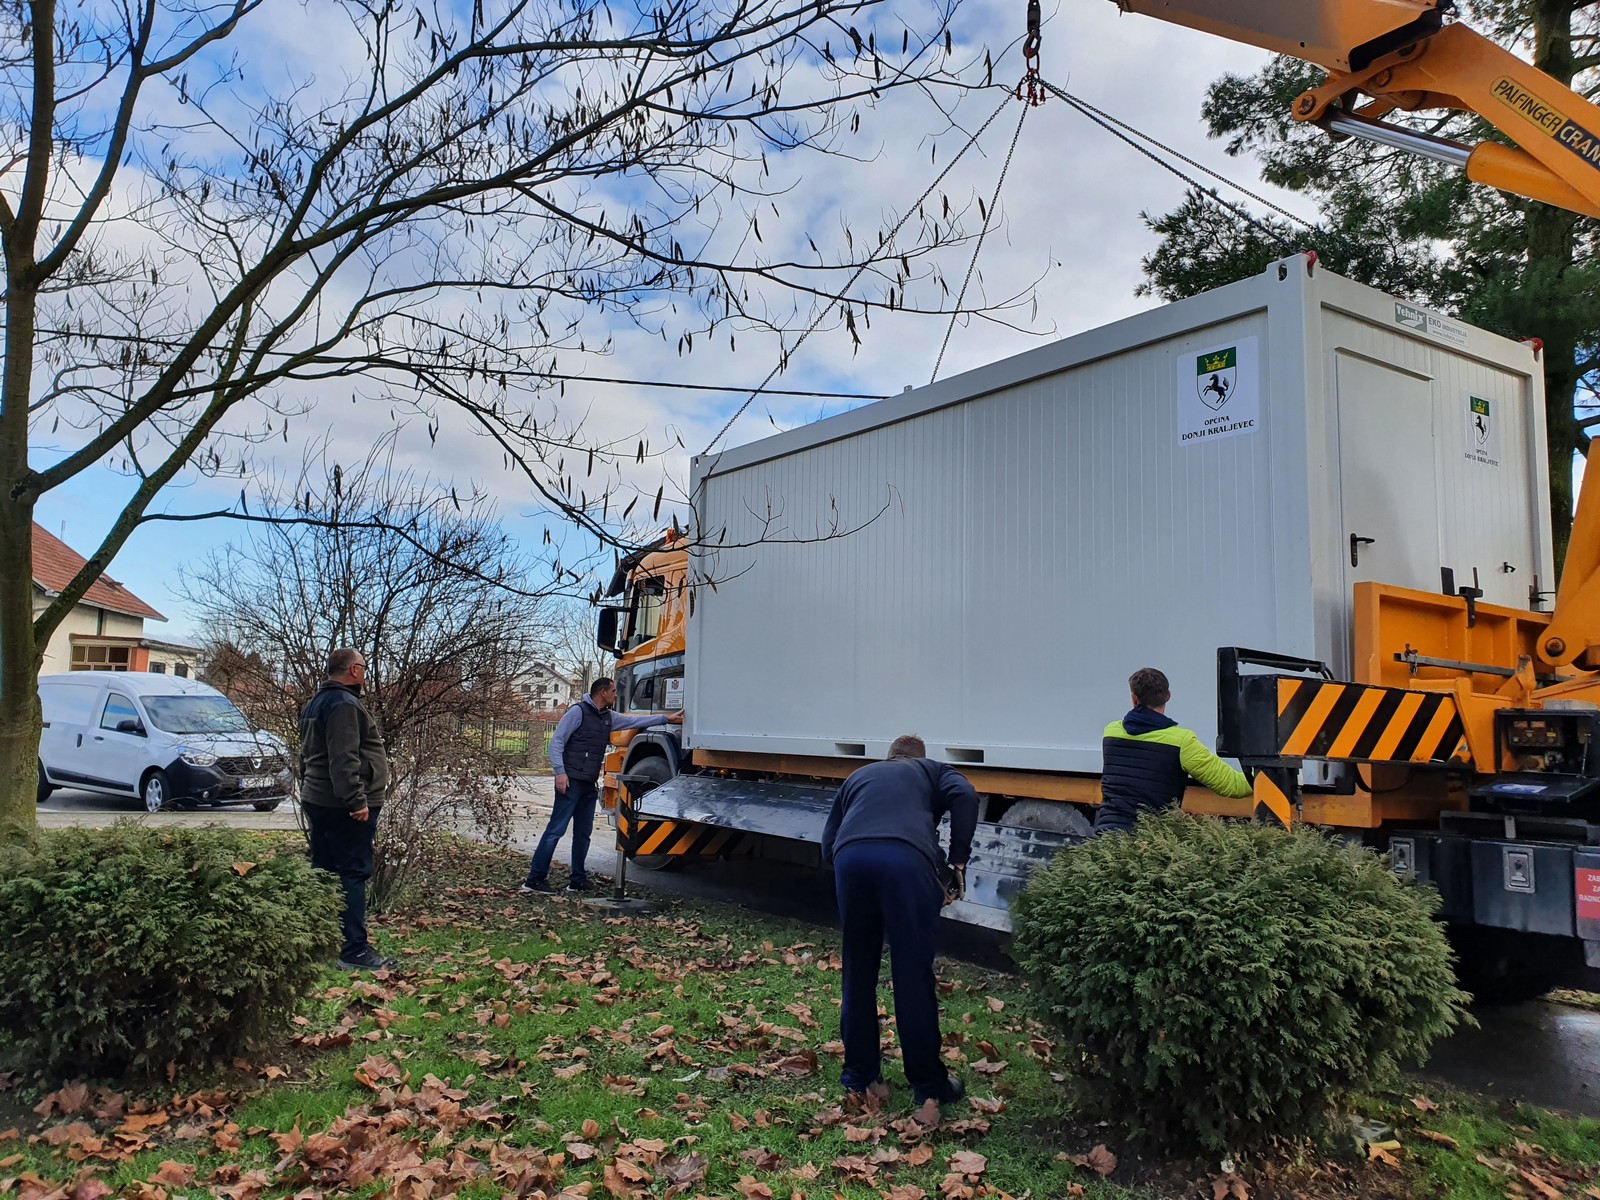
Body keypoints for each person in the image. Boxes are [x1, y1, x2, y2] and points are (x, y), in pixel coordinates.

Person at [820, 734, 978, 1112]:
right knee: (911, 972)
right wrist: (957, 862)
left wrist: (851, 871)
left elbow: (827, 845)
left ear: (888, 757)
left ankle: (859, 1076)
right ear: (918, 758)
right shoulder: (932, 770)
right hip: (906, 861)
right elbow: (967, 798)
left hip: (851, 859)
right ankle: (928, 1084)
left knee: (858, 971)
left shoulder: (859, 775)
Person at [520, 677, 682, 894]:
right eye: (613, 691)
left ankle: (577, 881)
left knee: (583, 834)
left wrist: (667, 719)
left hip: (588, 784)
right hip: (571, 781)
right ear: (602, 692)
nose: (616, 695)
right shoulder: (577, 712)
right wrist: (560, 773)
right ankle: (534, 880)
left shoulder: (608, 717)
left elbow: (635, 722)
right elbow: (556, 742)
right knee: (555, 831)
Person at [299, 647, 395, 972]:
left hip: (318, 798)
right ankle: (353, 951)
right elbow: (344, 757)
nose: (366, 674)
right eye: (364, 668)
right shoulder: (343, 704)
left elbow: (307, 755)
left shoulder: (316, 702)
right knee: (352, 872)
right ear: (353, 670)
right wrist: (356, 800)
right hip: (344, 805)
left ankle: (319, 942)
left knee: (324, 871)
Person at [1096, 666, 1252, 835]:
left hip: (1106, 834)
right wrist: (1272, 778)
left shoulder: (1111, 732)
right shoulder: (1182, 742)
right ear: (1168, 696)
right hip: (1150, 841)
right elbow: (1232, 785)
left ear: (1134, 698)